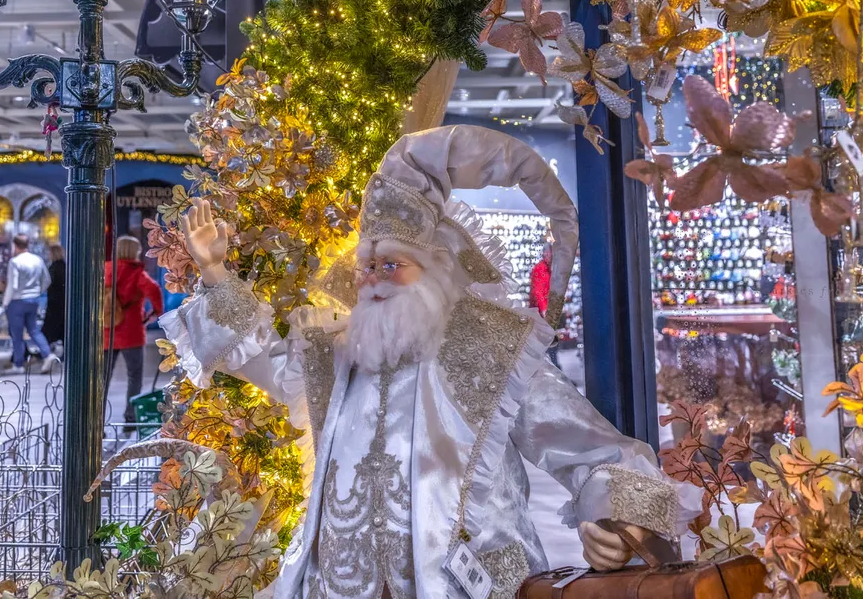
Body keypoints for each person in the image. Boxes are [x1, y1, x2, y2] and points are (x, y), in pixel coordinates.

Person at [163, 125, 700, 599]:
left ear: (435, 270)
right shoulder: (336, 357)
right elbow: (262, 359)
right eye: (366, 267)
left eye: (390, 265)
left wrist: (611, 521)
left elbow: (597, 452)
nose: (372, 281)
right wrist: (215, 274)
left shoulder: (491, 352)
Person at [103, 236, 163, 427]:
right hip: (132, 332)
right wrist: (155, 312)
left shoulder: (105, 269)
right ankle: (130, 416)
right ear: (135, 251)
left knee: (102, 378)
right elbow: (154, 290)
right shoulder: (137, 273)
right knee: (134, 376)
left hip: (106, 331)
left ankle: (97, 419)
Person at [2, 233, 54, 373]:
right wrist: (37, 292)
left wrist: (5, 302)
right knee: (34, 329)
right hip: (33, 300)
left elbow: (13, 285)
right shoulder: (37, 260)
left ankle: (18, 364)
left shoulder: (15, 262)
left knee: (17, 334)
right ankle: (47, 354)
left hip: (17, 301)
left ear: (15, 245)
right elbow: (47, 280)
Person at [529, 242, 561, 368]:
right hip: (542, 313)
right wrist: (544, 309)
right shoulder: (540, 268)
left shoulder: (550, 269)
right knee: (546, 341)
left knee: (550, 341)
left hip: (548, 311)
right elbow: (537, 291)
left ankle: (553, 364)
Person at [43, 243, 66, 350]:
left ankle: (45, 351)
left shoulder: (53, 268)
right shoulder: (64, 266)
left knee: (49, 329)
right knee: (62, 329)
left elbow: (48, 283)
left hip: (54, 303)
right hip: (62, 303)